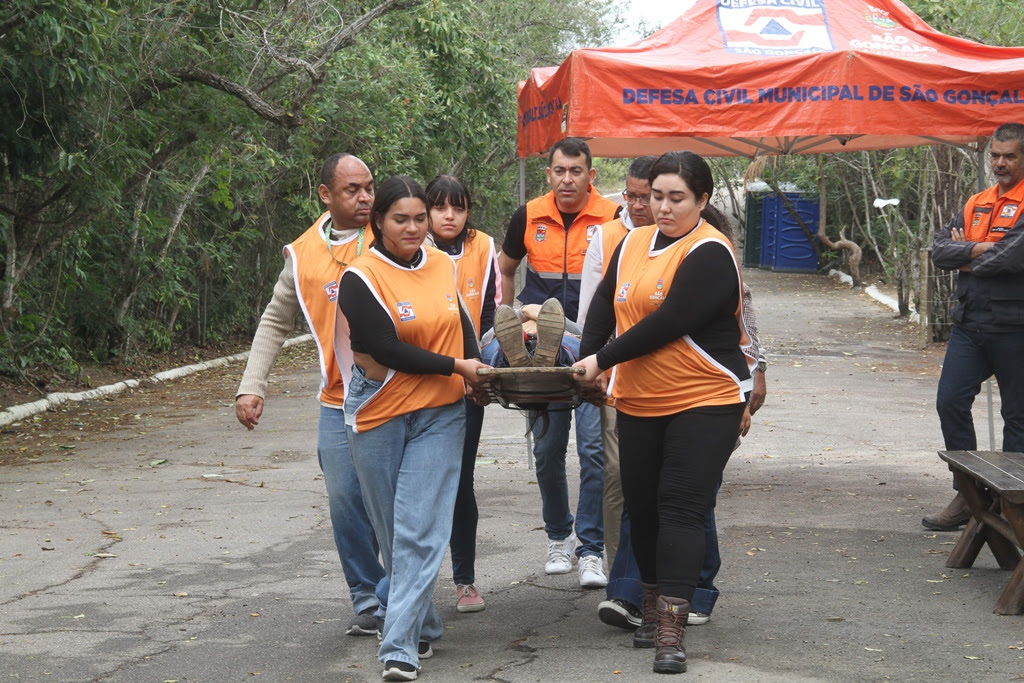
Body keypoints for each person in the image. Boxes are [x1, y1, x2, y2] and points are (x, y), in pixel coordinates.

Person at [576, 150, 753, 674]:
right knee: (645, 508)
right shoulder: (632, 242)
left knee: (680, 506)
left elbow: (670, 321)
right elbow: (603, 305)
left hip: (707, 396)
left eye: (677, 198)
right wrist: (591, 363)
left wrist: (602, 360)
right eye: (657, 197)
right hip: (641, 397)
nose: (664, 207)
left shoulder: (710, 251)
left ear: (702, 200)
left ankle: (672, 627)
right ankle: (651, 605)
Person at [338, 175, 488, 681]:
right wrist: (457, 367)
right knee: (393, 533)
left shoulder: (442, 264)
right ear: (378, 221)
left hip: (441, 412)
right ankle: (423, 622)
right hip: (379, 408)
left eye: (420, 218)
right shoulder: (360, 277)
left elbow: (461, 325)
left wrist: (473, 374)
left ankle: (398, 647)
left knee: (420, 532)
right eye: (400, 219)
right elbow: (385, 347)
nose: (413, 227)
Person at [234, 153, 385, 637]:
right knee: (345, 501)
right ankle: (368, 598)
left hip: (396, 395)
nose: (365, 197)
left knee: (392, 503)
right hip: (338, 400)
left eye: (369, 187)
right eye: (352, 190)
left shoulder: (392, 233)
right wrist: (251, 385)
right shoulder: (302, 253)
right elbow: (276, 319)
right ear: (325, 195)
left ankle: (401, 595)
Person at [497, 137, 621, 587]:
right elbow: (506, 266)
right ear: (548, 174)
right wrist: (507, 311)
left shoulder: (612, 217)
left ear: (591, 175)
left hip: (591, 347)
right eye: (560, 171)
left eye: (576, 171)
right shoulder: (528, 215)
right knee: (547, 451)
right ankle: (557, 536)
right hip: (539, 351)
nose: (567, 179)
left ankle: (589, 549)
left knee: (593, 451)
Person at [927, 122, 1024, 531]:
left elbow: (1011, 259)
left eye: (1010, 156)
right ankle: (969, 494)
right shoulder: (977, 202)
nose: (1000, 163)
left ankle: (1010, 502)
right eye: (995, 155)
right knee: (949, 402)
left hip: (1016, 326)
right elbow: (938, 251)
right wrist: (981, 248)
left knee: (1018, 416)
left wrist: (965, 253)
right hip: (970, 323)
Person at [425, 174, 501, 613]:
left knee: (460, 481)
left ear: (469, 211)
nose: (448, 216)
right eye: (439, 207)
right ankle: (408, 585)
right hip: (418, 380)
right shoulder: (409, 249)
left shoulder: (483, 247)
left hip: (468, 381)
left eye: (457, 207)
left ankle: (465, 580)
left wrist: (479, 372)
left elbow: (489, 314)